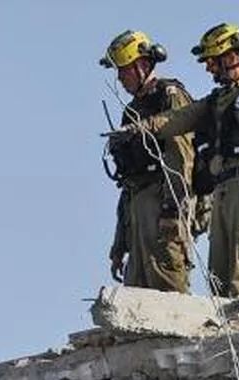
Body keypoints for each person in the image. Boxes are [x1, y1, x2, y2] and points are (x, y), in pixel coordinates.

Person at [122, 24, 239, 297]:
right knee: (218, 276)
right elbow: (179, 118)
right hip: (222, 188)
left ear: (230, 57)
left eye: (212, 61)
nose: (209, 68)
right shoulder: (217, 100)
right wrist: (140, 128)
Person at [100, 30, 196, 292]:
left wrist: (173, 210)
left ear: (142, 65)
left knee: (168, 288)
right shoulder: (131, 111)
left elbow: (182, 156)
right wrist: (119, 245)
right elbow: (128, 183)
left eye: (124, 70)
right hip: (137, 210)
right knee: (137, 298)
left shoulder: (169, 96)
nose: (120, 78)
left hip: (162, 203)